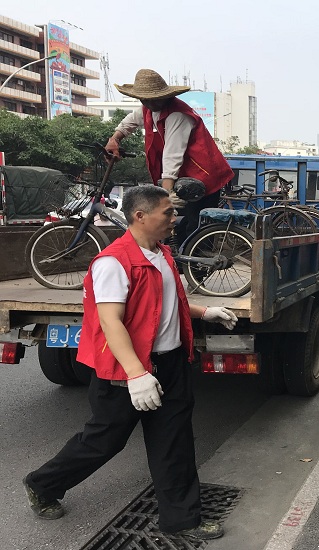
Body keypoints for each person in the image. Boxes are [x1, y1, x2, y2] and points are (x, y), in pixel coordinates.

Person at [24, 186, 238, 540]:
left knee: (175, 442)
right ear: (140, 216)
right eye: (167, 213)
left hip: (170, 364)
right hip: (127, 370)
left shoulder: (162, 253)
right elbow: (111, 322)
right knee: (103, 441)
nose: (174, 219)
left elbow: (166, 301)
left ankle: (183, 520)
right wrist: (137, 374)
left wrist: (205, 312)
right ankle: (42, 483)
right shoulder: (113, 262)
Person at [106, 68, 234, 248]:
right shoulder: (148, 109)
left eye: (153, 98)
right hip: (184, 176)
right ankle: (178, 265)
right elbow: (129, 122)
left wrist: (166, 194)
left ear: (163, 96)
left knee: (194, 225)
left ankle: (196, 269)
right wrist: (114, 139)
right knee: (176, 224)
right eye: (145, 99)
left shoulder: (177, 115)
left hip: (203, 175)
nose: (149, 103)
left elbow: (172, 155)